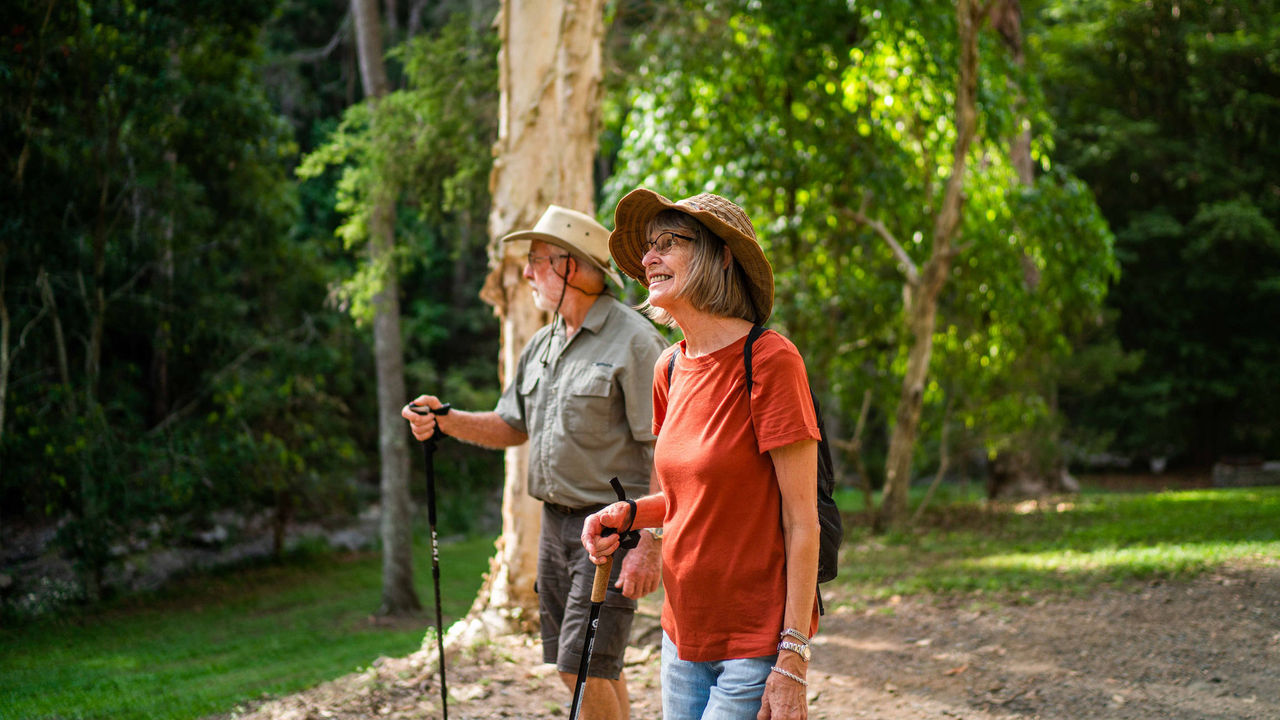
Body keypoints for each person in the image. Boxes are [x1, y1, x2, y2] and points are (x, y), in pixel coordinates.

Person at [401, 205, 667, 720]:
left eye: (537, 260)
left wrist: (649, 543)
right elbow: (512, 425)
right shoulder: (543, 344)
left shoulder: (635, 342)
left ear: (573, 266)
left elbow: (663, 444)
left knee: (582, 666)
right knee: (593, 666)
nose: (526, 273)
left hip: (612, 529)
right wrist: (445, 418)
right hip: (553, 526)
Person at [581, 190, 821, 720]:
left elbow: (802, 523)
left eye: (668, 243)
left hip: (754, 644)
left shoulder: (771, 362)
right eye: (648, 247)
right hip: (681, 635)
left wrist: (792, 658)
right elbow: (686, 497)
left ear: (720, 256)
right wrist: (628, 514)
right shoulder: (669, 369)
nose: (648, 259)